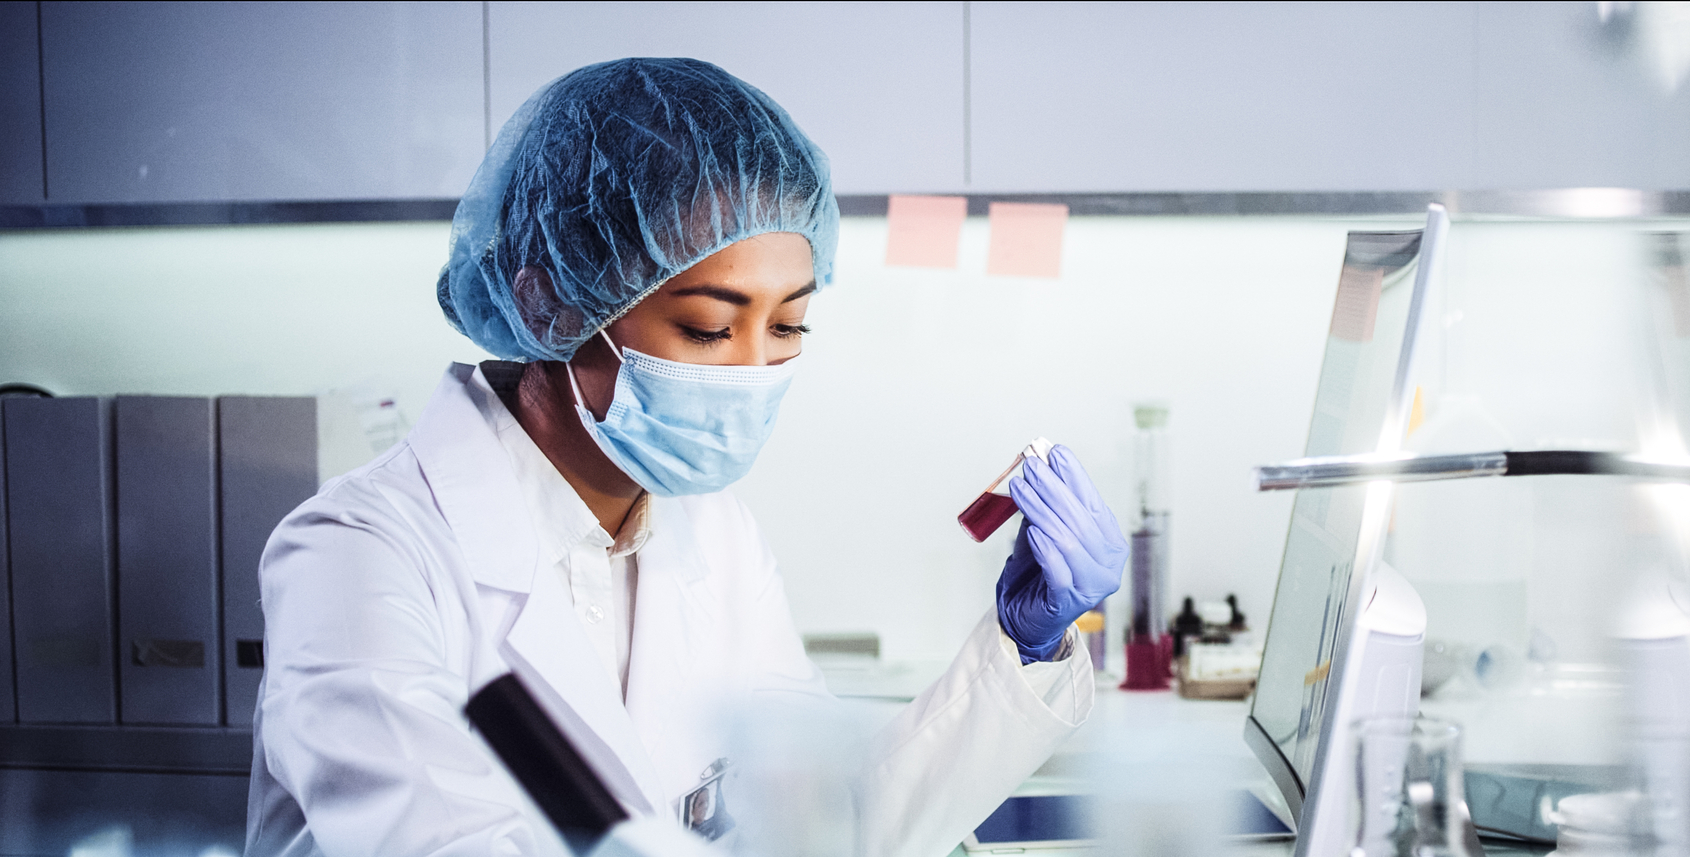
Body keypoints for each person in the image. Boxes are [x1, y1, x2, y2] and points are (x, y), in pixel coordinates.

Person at [245, 58, 1126, 857]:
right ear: (550, 302)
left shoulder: (713, 534)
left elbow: (825, 823)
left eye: (788, 325)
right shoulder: (360, 554)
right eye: (709, 327)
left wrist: (1024, 646)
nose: (753, 372)